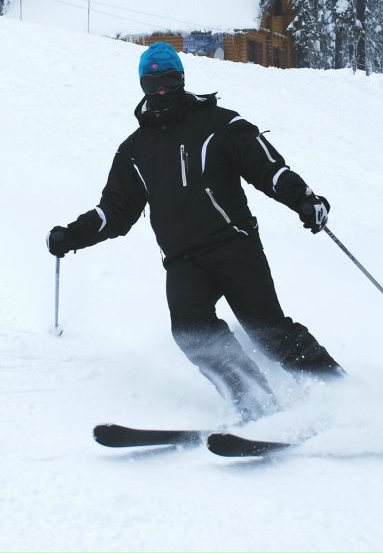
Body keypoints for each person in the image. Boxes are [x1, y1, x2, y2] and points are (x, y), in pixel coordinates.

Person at [47, 42, 342, 421]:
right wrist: (71, 235)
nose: (161, 92)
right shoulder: (134, 151)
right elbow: (115, 212)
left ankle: (341, 393)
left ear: (181, 80)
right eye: (152, 84)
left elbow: (268, 169)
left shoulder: (220, 125)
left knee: (268, 331)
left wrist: (303, 199)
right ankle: (255, 402)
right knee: (191, 330)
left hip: (234, 246)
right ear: (143, 87)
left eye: (168, 81)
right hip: (184, 261)